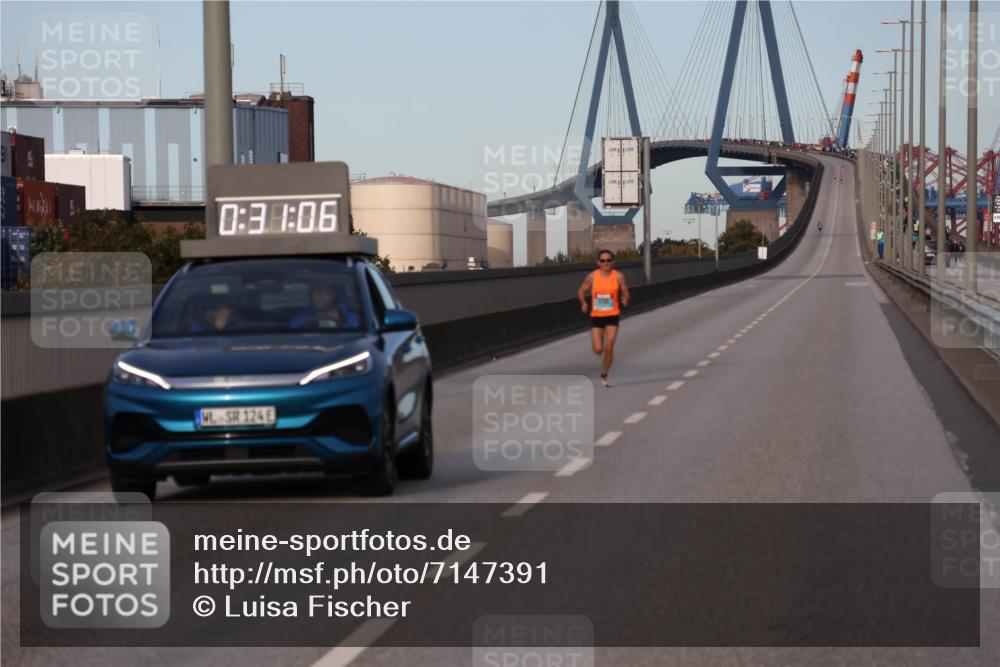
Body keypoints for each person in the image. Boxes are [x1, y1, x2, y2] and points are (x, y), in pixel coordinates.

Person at [577, 250, 629, 388]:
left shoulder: (619, 276)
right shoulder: (592, 277)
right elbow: (581, 290)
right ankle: (603, 354)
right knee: (598, 349)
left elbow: (625, 291)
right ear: (598, 262)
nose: (606, 263)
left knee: (609, 346)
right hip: (597, 316)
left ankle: (604, 374)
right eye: (603, 260)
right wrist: (583, 302)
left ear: (613, 262)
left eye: (608, 260)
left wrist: (625, 298)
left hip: (612, 315)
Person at [290, 283, 359, 330]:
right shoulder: (304, 315)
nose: (320, 296)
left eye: (325, 291)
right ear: (310, 295)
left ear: (334, 294)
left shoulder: (351, 316)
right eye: (316, 291)